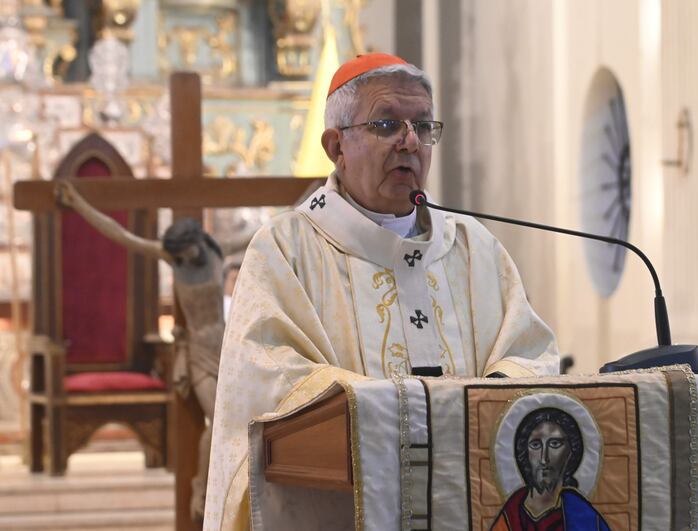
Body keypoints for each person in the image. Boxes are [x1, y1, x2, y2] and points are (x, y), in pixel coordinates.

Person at [204, 53, 560, 530]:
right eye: (388, 123)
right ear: (337, 146)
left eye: (422, 125)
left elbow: (530, 354)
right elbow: (266, 376)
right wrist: (404, 408)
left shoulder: (472, 246)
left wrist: (489, 395)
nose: (410, 141)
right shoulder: (286, 249)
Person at [54, 181, 247, 521]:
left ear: (194, 244)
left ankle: (233, 488)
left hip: (226, 348)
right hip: (197, 352)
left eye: (185, 251)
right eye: (178, 254)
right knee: (215, 420)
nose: (183, 257)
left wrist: (309, 195)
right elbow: (120, 235)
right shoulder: (172, 258)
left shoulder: (216, 251)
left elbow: (259, 232)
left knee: (238, 421)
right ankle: (201, 488)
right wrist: (79, 204)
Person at [490, 408, 610, 531]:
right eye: (535, 445)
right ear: (525, 453)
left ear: (571, 452)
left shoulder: (584, 516)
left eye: (555, 444)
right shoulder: (510, 515)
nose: (544, 458)